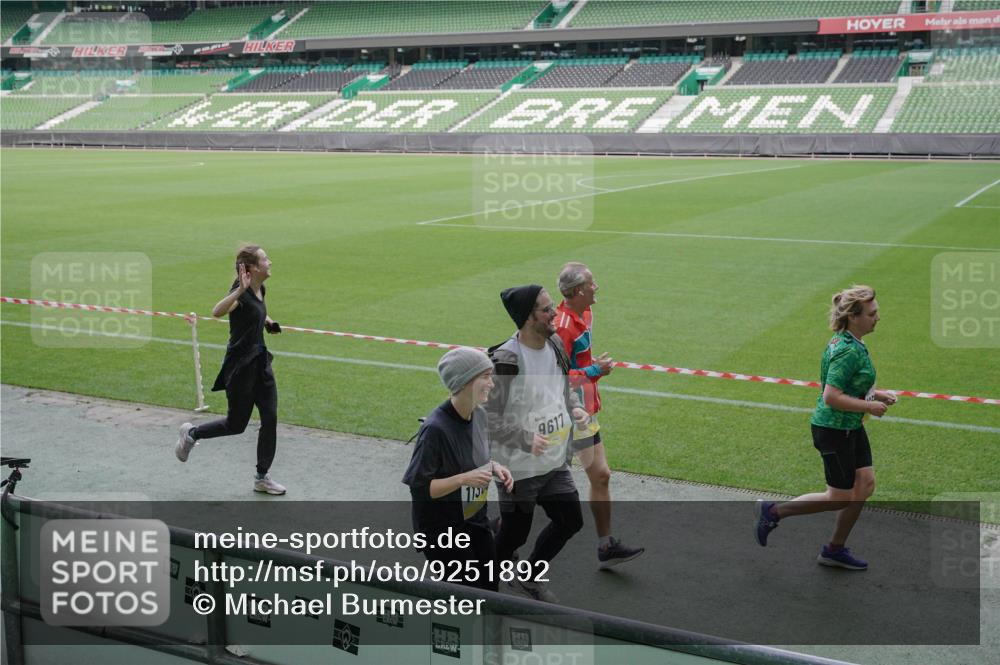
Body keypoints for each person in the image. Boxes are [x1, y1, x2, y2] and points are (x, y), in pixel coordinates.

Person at [755, 285, 896, 570]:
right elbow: (831, 396)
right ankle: (774, 511)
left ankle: (834, 549)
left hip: (850, 426)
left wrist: (876, 394)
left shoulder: (851, 341)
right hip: (833, 430)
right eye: (872, 314)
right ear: (853, 317)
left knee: (864, 485)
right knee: (839, 498)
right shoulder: (847, 351)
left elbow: (849, 384)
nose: (877, 318)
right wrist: (869, 406)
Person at [486, 284, 587, 602]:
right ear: (528, 318)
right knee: (514, 536)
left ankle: (528, 578)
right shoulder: (505, 361)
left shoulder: (555, 344)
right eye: (546, 309)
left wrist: (574, 407)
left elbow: (561, 389)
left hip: (554, 462)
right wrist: (525, 439)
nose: (555, 312)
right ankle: (483, 589)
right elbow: (487, 418)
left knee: (570, 521)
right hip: (518, 469)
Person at [175, 244, 286, 495]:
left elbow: (258, 310)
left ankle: (262, 477)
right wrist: (239, 290)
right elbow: (217, 312)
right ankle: (192, 434)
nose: (270, 262)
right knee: (236, 425)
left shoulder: (260, 289)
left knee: (270, 417)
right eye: (265, 259)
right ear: (253, 268)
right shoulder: (240, 294)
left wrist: (268, 322)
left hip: (261, 363)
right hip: (240, 368)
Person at [554, 262, 644, 569]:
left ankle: (606, 545)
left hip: (584, 411)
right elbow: (555, 378)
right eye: (592, 283)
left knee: (601, 475)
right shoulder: (562, 327)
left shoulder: (586, 313)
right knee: (539, 480)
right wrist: (594, 370)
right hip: (562, 412)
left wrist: (591, 369)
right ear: (578, 290)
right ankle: (502, 532)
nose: (597, 287)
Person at [402, 347, 514, 592]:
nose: (492, 383)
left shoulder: (479, 416)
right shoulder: (435, 429)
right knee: (465, 594)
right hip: (442, 530)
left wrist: (494, 466)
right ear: (464, 382)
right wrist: (464, 479)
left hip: (475, 520)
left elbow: (471, 457)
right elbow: (420, 489)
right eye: (485, 377)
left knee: (490, 587)